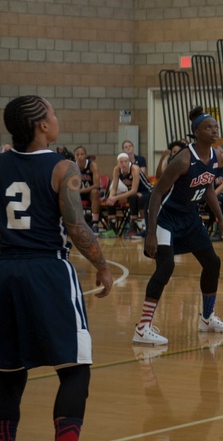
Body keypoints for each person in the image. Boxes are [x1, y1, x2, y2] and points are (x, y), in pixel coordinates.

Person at [0, 96, 114, 441]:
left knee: (7, 373)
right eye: (52, 112)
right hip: (47, 272)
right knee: (75, 368)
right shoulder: (63, 167)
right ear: (42, 126)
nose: (55, 116)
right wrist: (102, 266)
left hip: (3, 272)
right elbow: (77, 228)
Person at [133, 106, 223, 346]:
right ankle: (142, 328)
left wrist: (221, 219)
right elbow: (156, 194)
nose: (214, 131)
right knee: (165, 267)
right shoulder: (183, 160)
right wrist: (150, 232)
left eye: (215, 127)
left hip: (190, 217)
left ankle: (207, 318)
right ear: (196, 132)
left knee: (212, 263)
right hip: (166, 217)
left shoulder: (217, 156)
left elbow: (208, 187)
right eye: (208, 128)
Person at [105, 152, 152, 238]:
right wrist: (111, 197)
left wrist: (115, 197)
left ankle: (140, 228)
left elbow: (134, 190)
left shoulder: (134, 168)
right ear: (117, 163)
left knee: (135, 198)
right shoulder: (117, 170)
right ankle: (112, 228)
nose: (123, 164)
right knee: (110, 201)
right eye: (121, 162)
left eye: (125, 161)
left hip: (147, 191)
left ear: (129, 161)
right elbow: (114, 188)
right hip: (133, 193)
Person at [73, 146, 102, 228]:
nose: (79, 156)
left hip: (90, 192)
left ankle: (95, 222)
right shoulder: (72, 166)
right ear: (74, 156)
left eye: (82, 154)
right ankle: (71, 223)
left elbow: (96, 185)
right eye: (77, 154)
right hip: (78, 193)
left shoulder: (92, 165)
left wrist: (80, 191)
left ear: (85, 155)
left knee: (95, 192)